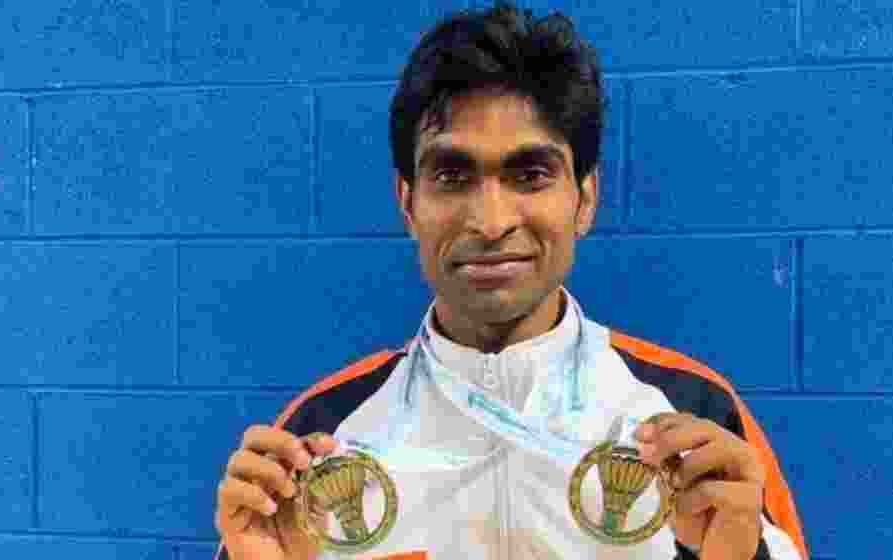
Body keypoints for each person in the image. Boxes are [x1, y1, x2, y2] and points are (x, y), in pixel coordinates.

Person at [214, 3, 808, 559]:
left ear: (584, 199)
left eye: (530, 174)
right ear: (407, 202)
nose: (492, 222)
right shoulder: (319, 440)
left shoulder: (696, 416)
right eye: (452, 176)